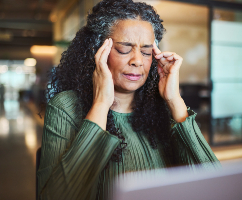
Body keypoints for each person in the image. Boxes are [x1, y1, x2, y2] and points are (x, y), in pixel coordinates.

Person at [37, 0, 221, 199]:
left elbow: (216, 187)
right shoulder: (66, 107)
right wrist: (101, 103)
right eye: (124, 48)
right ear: (97, 50)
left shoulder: (161, 109)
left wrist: (175, 100)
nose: (137, 60)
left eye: (146, 51)